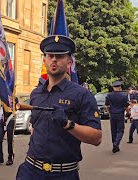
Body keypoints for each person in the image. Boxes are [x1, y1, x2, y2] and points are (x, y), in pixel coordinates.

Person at [16, 35, 102, 180]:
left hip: (63, 174)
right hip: (30, 170)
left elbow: (97, 138)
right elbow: (36, 128)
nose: (54, 60)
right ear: (45, 60)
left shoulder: (82, 95)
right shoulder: (36, 93)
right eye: (50, 56)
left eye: (60, 56)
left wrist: (67, 124)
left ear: (69, 61)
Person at [0, 97, 18, 166]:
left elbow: (16, 108)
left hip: (11, 119)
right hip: (2, 120)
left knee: (10, 139)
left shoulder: (14, 98)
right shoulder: (1, 97)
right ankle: (0, 158)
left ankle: (10, 157)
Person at [105, 81, 129, 153]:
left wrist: (110, 112)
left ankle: (114, 145)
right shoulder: (123, 95)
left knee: (113, 130)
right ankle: (116, 143)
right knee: (120, 130)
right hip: (120, 114)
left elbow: (107, 105)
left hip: (112, 114)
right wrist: (128, 113)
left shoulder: (109, 95)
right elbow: (126, 106)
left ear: (113, 88)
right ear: (119, 87)